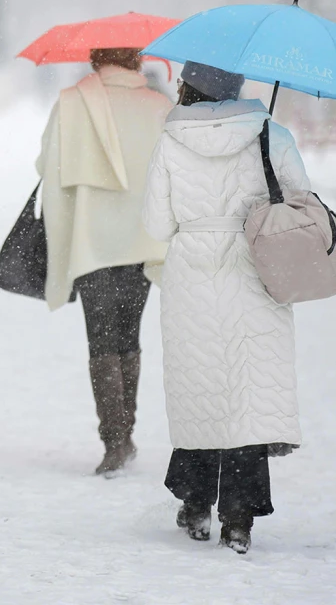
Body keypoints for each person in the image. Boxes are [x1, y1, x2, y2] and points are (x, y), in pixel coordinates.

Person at [142, 61, 310, 554]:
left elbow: (155, 224)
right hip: (256, 268)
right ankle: (238, 518)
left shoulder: (171, 141)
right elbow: (303, 202)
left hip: (192, 274)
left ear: (189, 86)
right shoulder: (270, 135)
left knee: (201, 387)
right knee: (247, 394)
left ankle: (195, 502)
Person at [35, 47, 172, 475]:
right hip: (143, 237)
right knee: (129, 336)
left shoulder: (72, 102)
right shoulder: (159, 105)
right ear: (136, 60)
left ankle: (115, 440)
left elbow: (46, 163)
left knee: (101, 339)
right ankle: (125, 433)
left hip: (90, 241)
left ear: (96, 59)